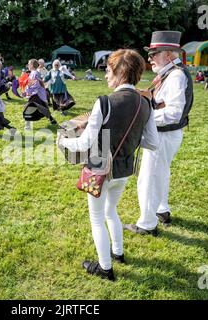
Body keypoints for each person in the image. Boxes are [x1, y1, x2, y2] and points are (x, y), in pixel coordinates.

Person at [57, 49, 159, 281]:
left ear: (121, 72)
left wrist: (64, 140)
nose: (105, 75)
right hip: (123, 171)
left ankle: (105, 268)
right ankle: (118, 253)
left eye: (109, 70)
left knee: (96, 219)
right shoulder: (146, 103)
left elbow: (85, 142)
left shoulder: (104, 102)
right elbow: (152, 143)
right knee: (111, 211)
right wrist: (130, 138)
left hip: (99, 170)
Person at [123, 30, 194, 235]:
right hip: (165, 135)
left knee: (148, 177)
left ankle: (146, 223)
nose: (150, 58)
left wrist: (143, 118)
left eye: (155, 53)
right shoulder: (170, 73)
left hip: (163, 134)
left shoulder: (176, 76)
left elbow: (173, 113)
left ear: (170, 55)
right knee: (161, 173)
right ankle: (162, 210)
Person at [23, 59, 58, 130]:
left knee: (28, 108)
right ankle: (52, 120)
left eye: (29, 64)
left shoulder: (35, 73)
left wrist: (28, 90)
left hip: (36, 95)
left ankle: (27, 126)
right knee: (44, 108)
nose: (28, 65)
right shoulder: (34, 73)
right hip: (38, 94)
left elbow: (35, 85)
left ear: (32, 65)